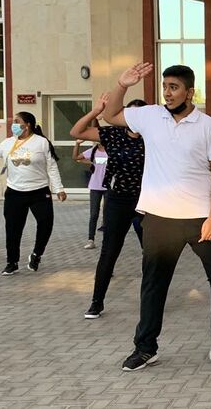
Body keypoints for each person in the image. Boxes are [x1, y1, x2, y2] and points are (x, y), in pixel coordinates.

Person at [104, 62, 211, 371]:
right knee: (154, 284)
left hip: (199, 218)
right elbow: (110, 115)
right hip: (160, 219)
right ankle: (145, 348)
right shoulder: (150, 116)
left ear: (190, 92)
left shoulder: (207, 126)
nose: (167, 92)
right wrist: (122, 85)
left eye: (174, 87)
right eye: (165, 86)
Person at [70, 93, 147, 319]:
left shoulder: (154, 137)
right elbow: (76, 132)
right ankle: (96, 301)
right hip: (118, 200)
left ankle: (150, 299)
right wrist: (96, 111)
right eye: (129, 114)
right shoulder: (113, 133)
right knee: (109, 251)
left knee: (151, 252)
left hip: (148, 200)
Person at [0, 112, 67, 275]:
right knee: (13, 228)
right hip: (15, 193)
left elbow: (51, 166)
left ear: (27, 125)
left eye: (16, 121)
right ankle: (12, 262)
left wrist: (59, 188)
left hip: (39, 191)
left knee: (46, 223)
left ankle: (36, 255)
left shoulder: (42, 143)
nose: (13, 124)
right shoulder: (7, 143)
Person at [73, 127, 108, 250]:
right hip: (95, 186)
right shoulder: (93, 151)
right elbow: (76, 157)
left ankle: (107, 240)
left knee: (108, 213)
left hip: (108, 186)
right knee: (94, 214)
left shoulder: (111, 151)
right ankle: (90, 239)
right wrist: (77, 144)